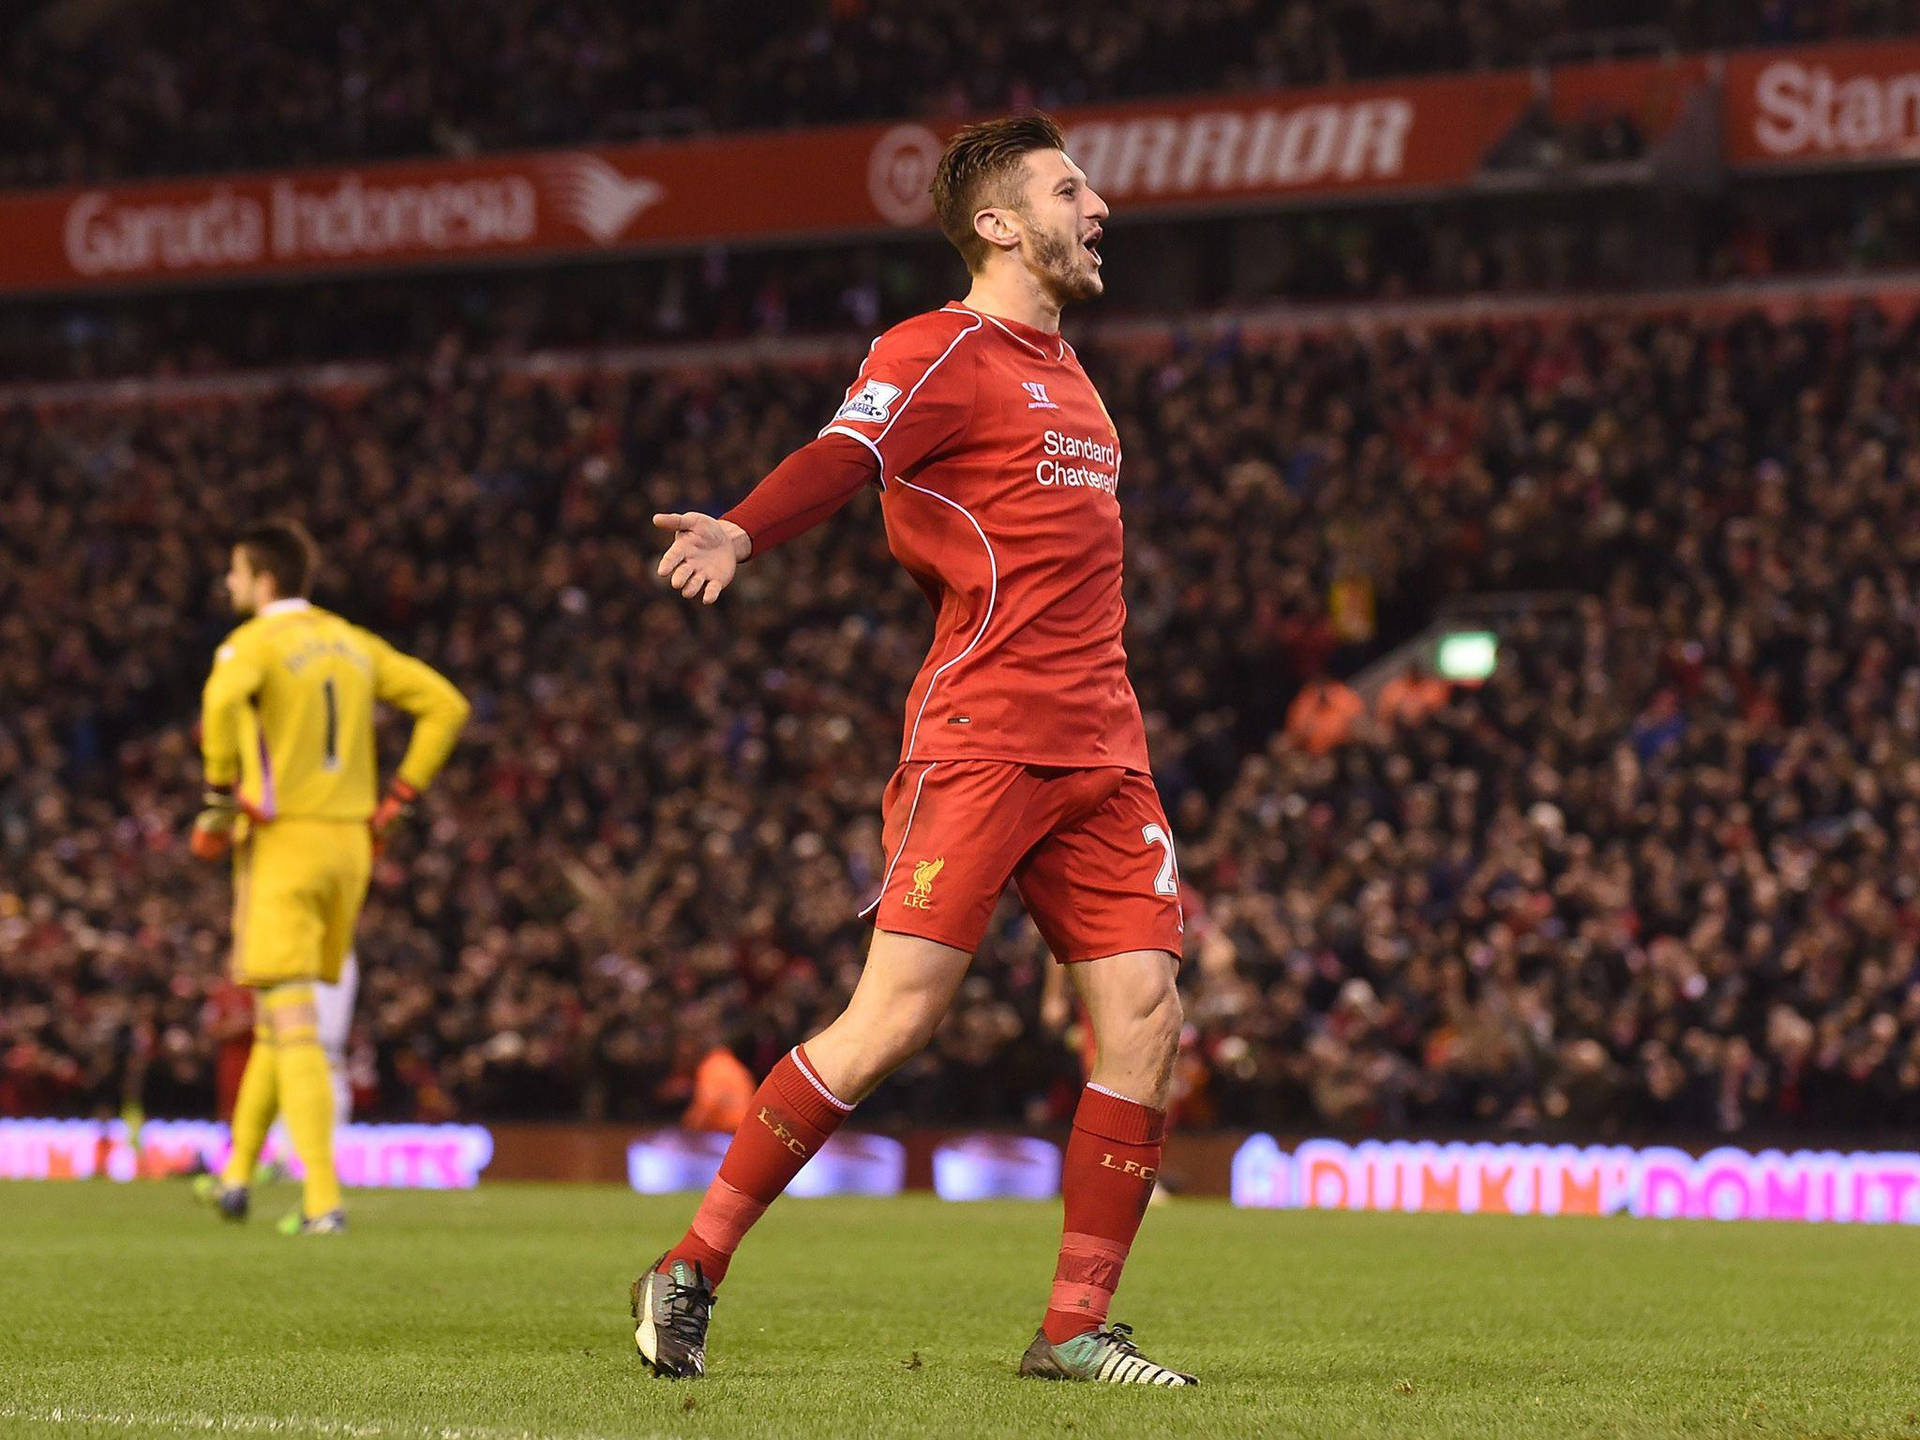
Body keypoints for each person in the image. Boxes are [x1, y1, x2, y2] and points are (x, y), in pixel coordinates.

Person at [637, 114, 1195, 1387]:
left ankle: (1072, 1330)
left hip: (1106, 753)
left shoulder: (1076, 377)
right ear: (1000, 224)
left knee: (1148, 1017)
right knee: (889, 1024)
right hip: (985, 742)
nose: (1098, 205)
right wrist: (741, 531)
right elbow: (850, 453)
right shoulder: (940, 348)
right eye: (1070, 188)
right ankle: (692, 1264)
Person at [188, 520, 469, 1233]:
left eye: (234, 571)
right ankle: (237, 1177)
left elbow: (221, 704)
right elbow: (447, 705)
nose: (228, 584)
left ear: (260, 576)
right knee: (279, 1019)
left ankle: (321, 1202)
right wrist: (401, 797)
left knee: (292, 1023)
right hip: (351, 847)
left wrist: (220, 796)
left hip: (285, 844)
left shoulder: (252, 644)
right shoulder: (352, 640)